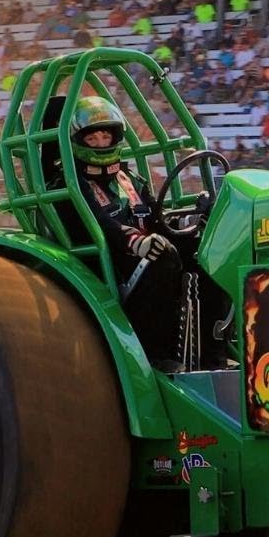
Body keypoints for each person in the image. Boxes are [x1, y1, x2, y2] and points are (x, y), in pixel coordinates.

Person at [63, 96, 181, 359]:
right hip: (114, 269)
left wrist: (183, 224)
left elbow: (157, 218)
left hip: (145, 256)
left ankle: (211, 350)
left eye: (105, 137)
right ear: (79, 142)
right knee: (165, 257)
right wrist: (137, 242)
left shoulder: (130, 178)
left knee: (196, 247)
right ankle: (157, 357)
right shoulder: (73, 185)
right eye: (92, 139)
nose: (100, 143)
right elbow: (100, 222)